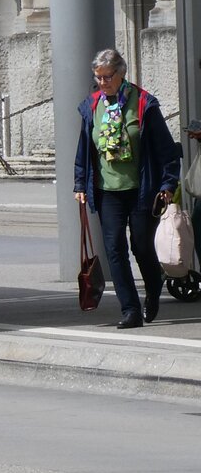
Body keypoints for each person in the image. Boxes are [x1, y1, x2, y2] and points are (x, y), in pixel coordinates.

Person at [73, 49, 179, 329]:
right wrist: (80, 183)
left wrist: (168, 184)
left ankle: (153, 289)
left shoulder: (143, 103)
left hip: (142, 188)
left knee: (142, 247)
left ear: (122, 73)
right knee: (115, 248)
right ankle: (130, 309)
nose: (103, 82)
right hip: (108, 190)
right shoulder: (92, 105)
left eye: (108, 76)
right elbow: (85, 148)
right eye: (98, 77)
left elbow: (166, 151)